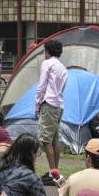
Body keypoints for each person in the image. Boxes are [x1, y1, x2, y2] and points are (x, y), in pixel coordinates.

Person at [35, 40, 67, 177]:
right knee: (55, 139)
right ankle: (55, 170)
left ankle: (53, 173)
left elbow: (42, 85)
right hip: (59, 104)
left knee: (45, 140)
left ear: (47, 52)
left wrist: (37, 104)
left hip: (48, 103)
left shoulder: (47, 64)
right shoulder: (63, 67)